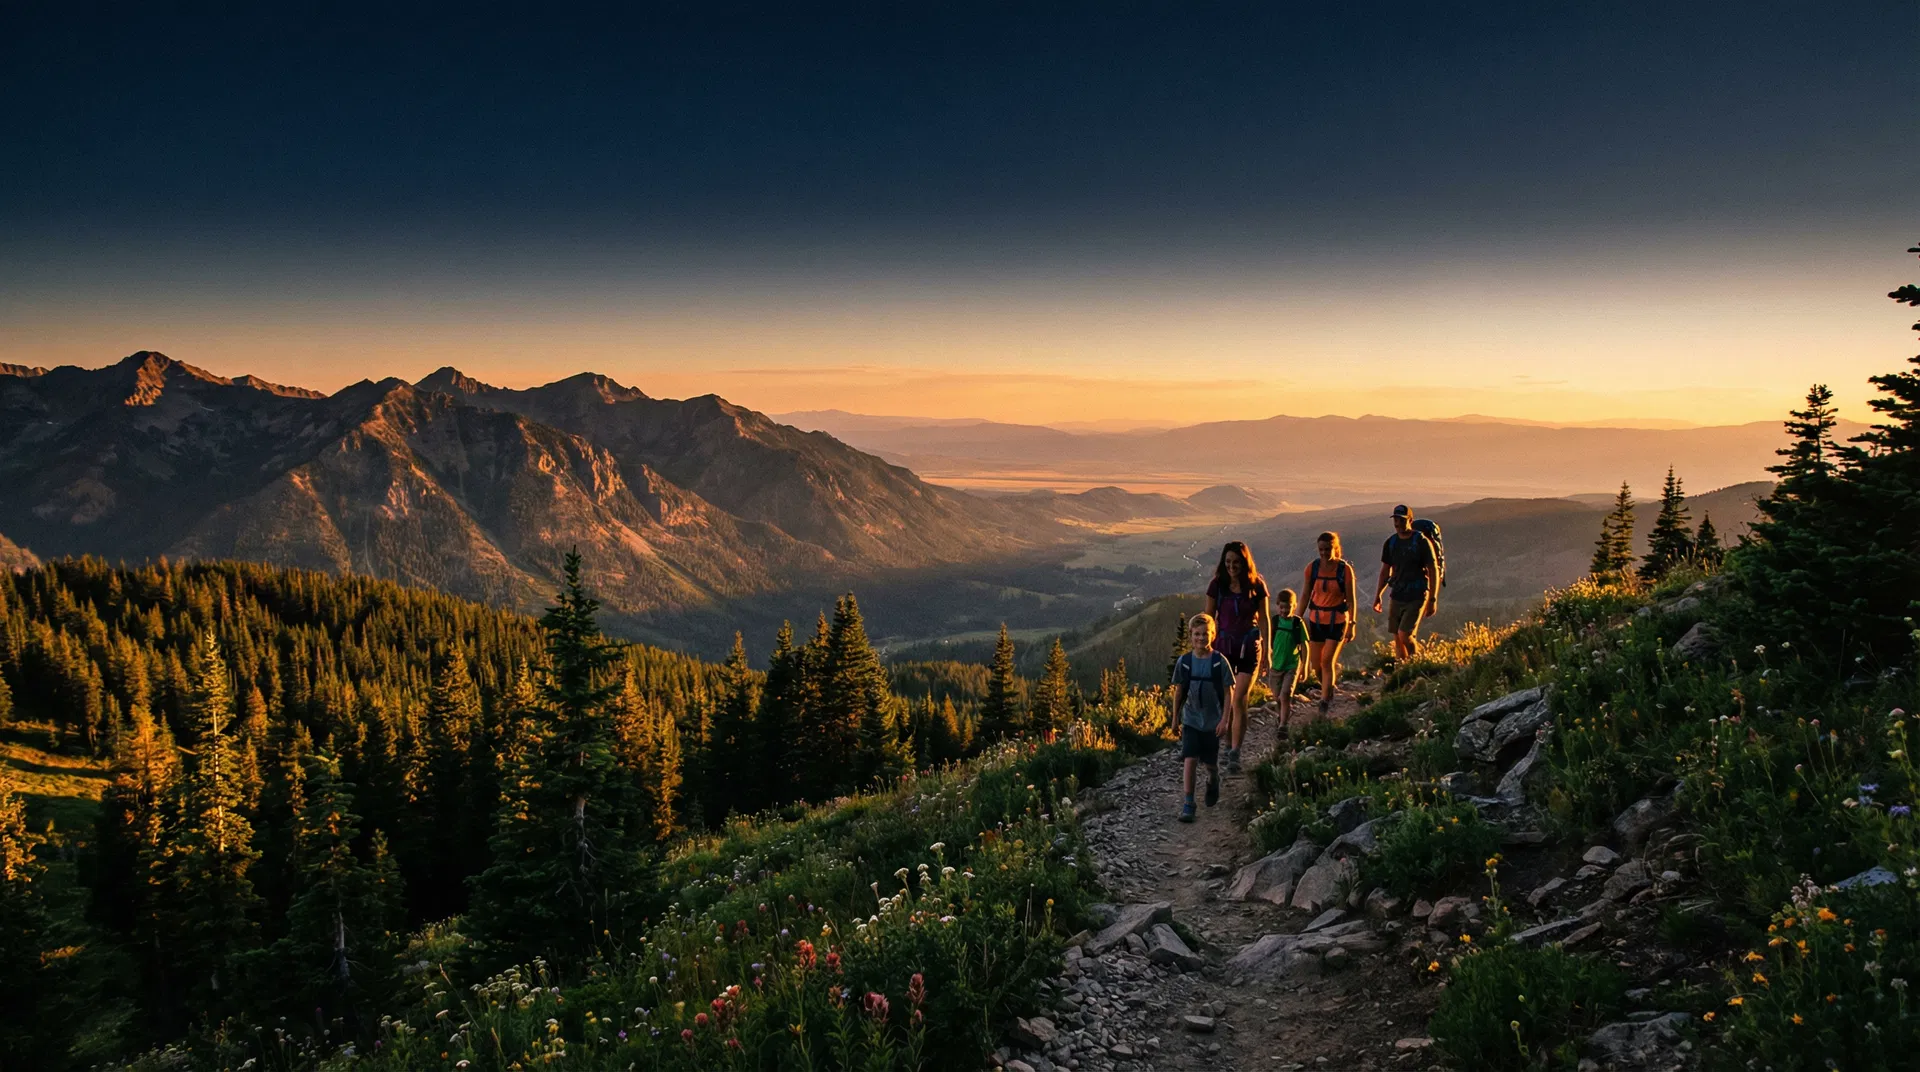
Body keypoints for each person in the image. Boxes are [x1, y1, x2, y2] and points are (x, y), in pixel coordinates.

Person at [1205, 541, 1269, 774]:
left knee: (1239, 697)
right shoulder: (1217, 585)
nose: (1232, 566)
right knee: (1226, 700)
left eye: (1236, 562)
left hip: (1249, 647)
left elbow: (1264, 620)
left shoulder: (1256, 585)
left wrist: (1267, 651)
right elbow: (1209, 618)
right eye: (1228, 562)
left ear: (1244, 563)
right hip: (1222, 647)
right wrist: (1205, 650)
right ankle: (1227, 746)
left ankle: (1234, 751)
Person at [1169, 613, 1234, 823]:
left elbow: (1228, 692)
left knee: (1210, 763)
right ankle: (1189, 803)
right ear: (1190, 636)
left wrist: (1225, 720)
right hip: (1191, 720)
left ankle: (1213, 779)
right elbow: (1179, 691)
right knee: (1190, 758)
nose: (1201, 638)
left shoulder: (1219, 662)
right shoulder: (1185, 662)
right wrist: (1175, 718)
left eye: (1205, 634)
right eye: (1197, 634)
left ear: (1213, 635)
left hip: (1212, 722)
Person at [1374, 504, 1440, 662]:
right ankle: (1402, 669)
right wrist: (1378, 595)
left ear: (1410, 520)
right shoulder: (1391, 543)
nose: (1398, 523)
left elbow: (1433, 570)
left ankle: (1415, 662)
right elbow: (1385, 570)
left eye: (1402, 520)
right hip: (1397, 594)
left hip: (1417, 594)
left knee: (1405, 634)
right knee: (1397, 636)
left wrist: (1432, 599)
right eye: (1396, 519)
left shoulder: (1421, 542)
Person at [1301, 531, 1356, 713]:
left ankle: (1325, 700)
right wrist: (1297, 617)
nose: (1324, 553)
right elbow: (1305, 595)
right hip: (1316, 620)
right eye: (1321, 549)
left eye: (1328, 549)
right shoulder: (1312, 568)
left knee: (1326, 661)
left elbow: (1351, 599)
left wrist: (1352, 624)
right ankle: (1328, 687)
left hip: (1337, 621)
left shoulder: (1344, 570)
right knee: (1316, 664)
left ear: (1335, 548)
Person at [1266, 588, 1310, 736]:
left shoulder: (1297, 623)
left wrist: (1304, 667)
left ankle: (1283, 725)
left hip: (1292, 665)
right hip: (1276, 665)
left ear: (1294, 606)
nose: (1285, 610)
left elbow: (1305, 646)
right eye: (1282, 607)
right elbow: (1266, 642)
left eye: (1288, 607)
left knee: (1285, 695)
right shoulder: (1274, 622)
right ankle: (1282, 716)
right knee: (1277, 697)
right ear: (1277, 605)